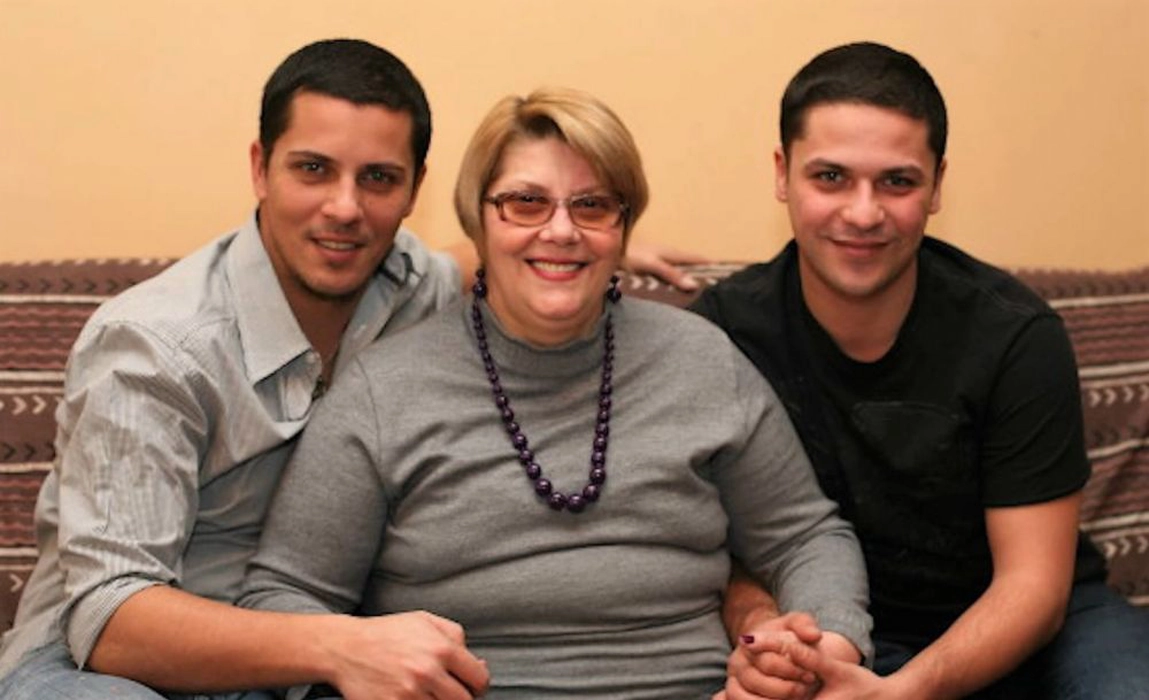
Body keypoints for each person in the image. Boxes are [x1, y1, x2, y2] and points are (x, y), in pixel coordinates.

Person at [0, 39, 701, 699]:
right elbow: (109, 618)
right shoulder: (155, 346)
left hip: (299, 665)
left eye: (378, 179)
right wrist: (341, 646)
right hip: (102, 669)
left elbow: (466, 258)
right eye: (313, 169)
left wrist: (574, 245)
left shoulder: (406, 287)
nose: (344, 208)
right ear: (260, 167)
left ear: (414, 189)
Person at [237, 86, 872, 699]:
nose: (562, 231)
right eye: (526, 202)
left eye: (592, 205)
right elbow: (285, 592)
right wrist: (360, 658)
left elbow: (805, 537)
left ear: (623, 227)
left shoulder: (703, 361)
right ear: (478, 220)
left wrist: (821, 650)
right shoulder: (384, 389)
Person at [694, 41, 1149, 700]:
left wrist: (904, 692)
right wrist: (765, 630)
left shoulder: (1014, 334)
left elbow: (1034, 586)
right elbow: (708, 545)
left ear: (936, 185)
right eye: (830, 177)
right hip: (839, 628)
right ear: (781, 174)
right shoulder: (719, 335)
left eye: (897, 182)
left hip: (1036, 627)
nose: (862, 213)